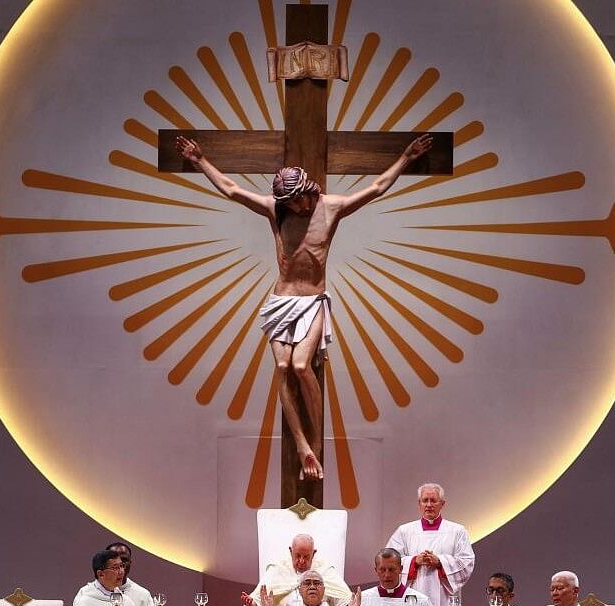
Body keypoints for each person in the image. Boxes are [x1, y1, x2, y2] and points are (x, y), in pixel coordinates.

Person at [176, 133, 432, 481]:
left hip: (313, 302)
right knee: (282, 366)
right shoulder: (276, 210)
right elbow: (232, 189)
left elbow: (376, 188)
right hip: (282, 301)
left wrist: (407, 157)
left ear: (309, 190)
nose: (298, 208)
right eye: (291, 203)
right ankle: (302, 445)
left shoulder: (331, 207)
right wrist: (199, 160)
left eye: (299, 200)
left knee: (300, 366)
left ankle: (316, 441)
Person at [386, 483, 475, 606]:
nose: (428, 505)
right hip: (413, 598)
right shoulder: (405, 531)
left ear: (442, 504)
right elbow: (389, 561)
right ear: (419, 504)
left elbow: (467, 562)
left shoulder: (457, 531)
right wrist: (414, 561)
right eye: (424, 500)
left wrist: (440, 562)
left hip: (445, 601)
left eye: (433, 500)